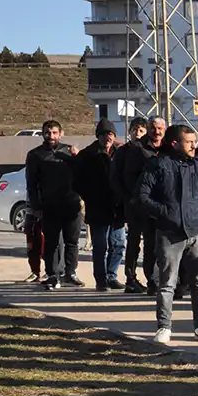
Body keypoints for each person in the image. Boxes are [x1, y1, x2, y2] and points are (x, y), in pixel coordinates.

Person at [136, 124, 198, 344]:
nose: (194, 145)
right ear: (175, 143)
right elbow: (142, 196)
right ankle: (164, 327)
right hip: (169, 233)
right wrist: (164, 212)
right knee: (167, 283)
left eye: (195, 141)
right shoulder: (157, 165)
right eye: (189, 141)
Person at [25, 120, 84, 290]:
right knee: (51, 243)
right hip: (49, 205)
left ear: (61, 133)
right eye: (47, 132)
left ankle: (70, 273)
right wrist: (36, 206)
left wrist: (77, 157)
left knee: (72, 241)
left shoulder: (70, 151)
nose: (51, 136)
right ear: (42, 134)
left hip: (71, 204)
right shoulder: (35, 155)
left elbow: (82, 174)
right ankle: (52, 274)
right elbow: (31, 183)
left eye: (54, 133)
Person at [113, 116, 164, 294]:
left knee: (153, 243)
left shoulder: (165, 148)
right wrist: (131, 198)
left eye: (141, 129)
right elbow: (123, 178)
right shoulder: (133, 150)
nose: (156, 132)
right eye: (136, 130)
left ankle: (153, 279)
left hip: (156, 206)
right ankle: (131, 278)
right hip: (135, 204)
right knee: (134, 241)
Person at [74, 118, 126, 290]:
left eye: (110, 134)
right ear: (98, 136)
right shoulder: (87, 155)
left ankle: (112, 276)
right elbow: (76, 182)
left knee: (118, 244)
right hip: (98, 207)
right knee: (100, 246)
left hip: (117, 208)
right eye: (103, 134)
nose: (107, 138)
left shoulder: (121, 153)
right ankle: (101, 280)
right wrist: (90, 196)